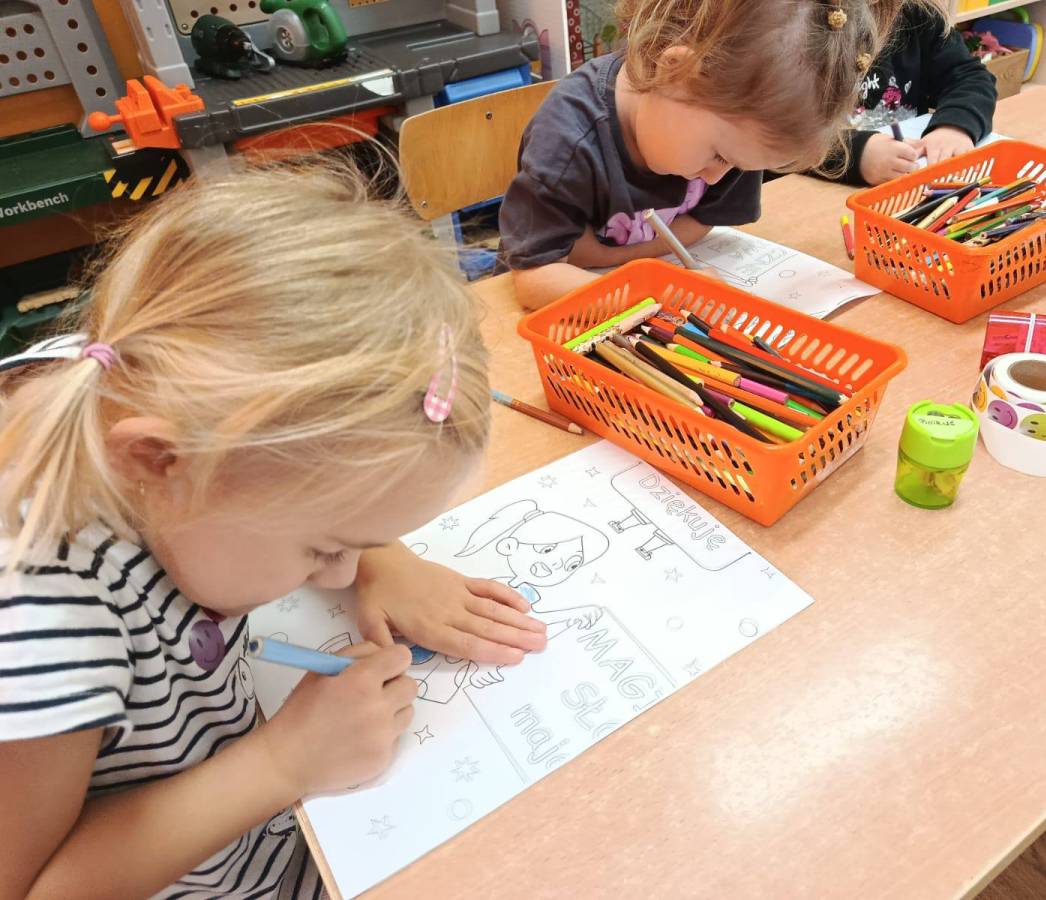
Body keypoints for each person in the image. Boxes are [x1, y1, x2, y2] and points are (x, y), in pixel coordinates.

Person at [0, 161, 547, 899]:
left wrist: (381, 556)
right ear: (158, 461)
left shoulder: (136, 367)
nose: (341, 573)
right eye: (326, 549)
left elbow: (295, 468)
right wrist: (282, 763)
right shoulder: (43, 620)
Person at [498, 0, 924, 309]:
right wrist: (653, 288)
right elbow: (536, 278)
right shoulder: (569, 140)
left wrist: (604, 256)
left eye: (738, 165)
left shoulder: (734, 131)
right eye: (719, 156)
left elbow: (703, 221)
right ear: (674, 70)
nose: (718, 178)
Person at [823, 2, 997, 185]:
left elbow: (970, 78)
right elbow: (799, 137)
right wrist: (856, 153)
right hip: (827, 190)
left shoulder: (918, 15)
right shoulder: (805, 26)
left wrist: (955, 126)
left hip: (911, 185)